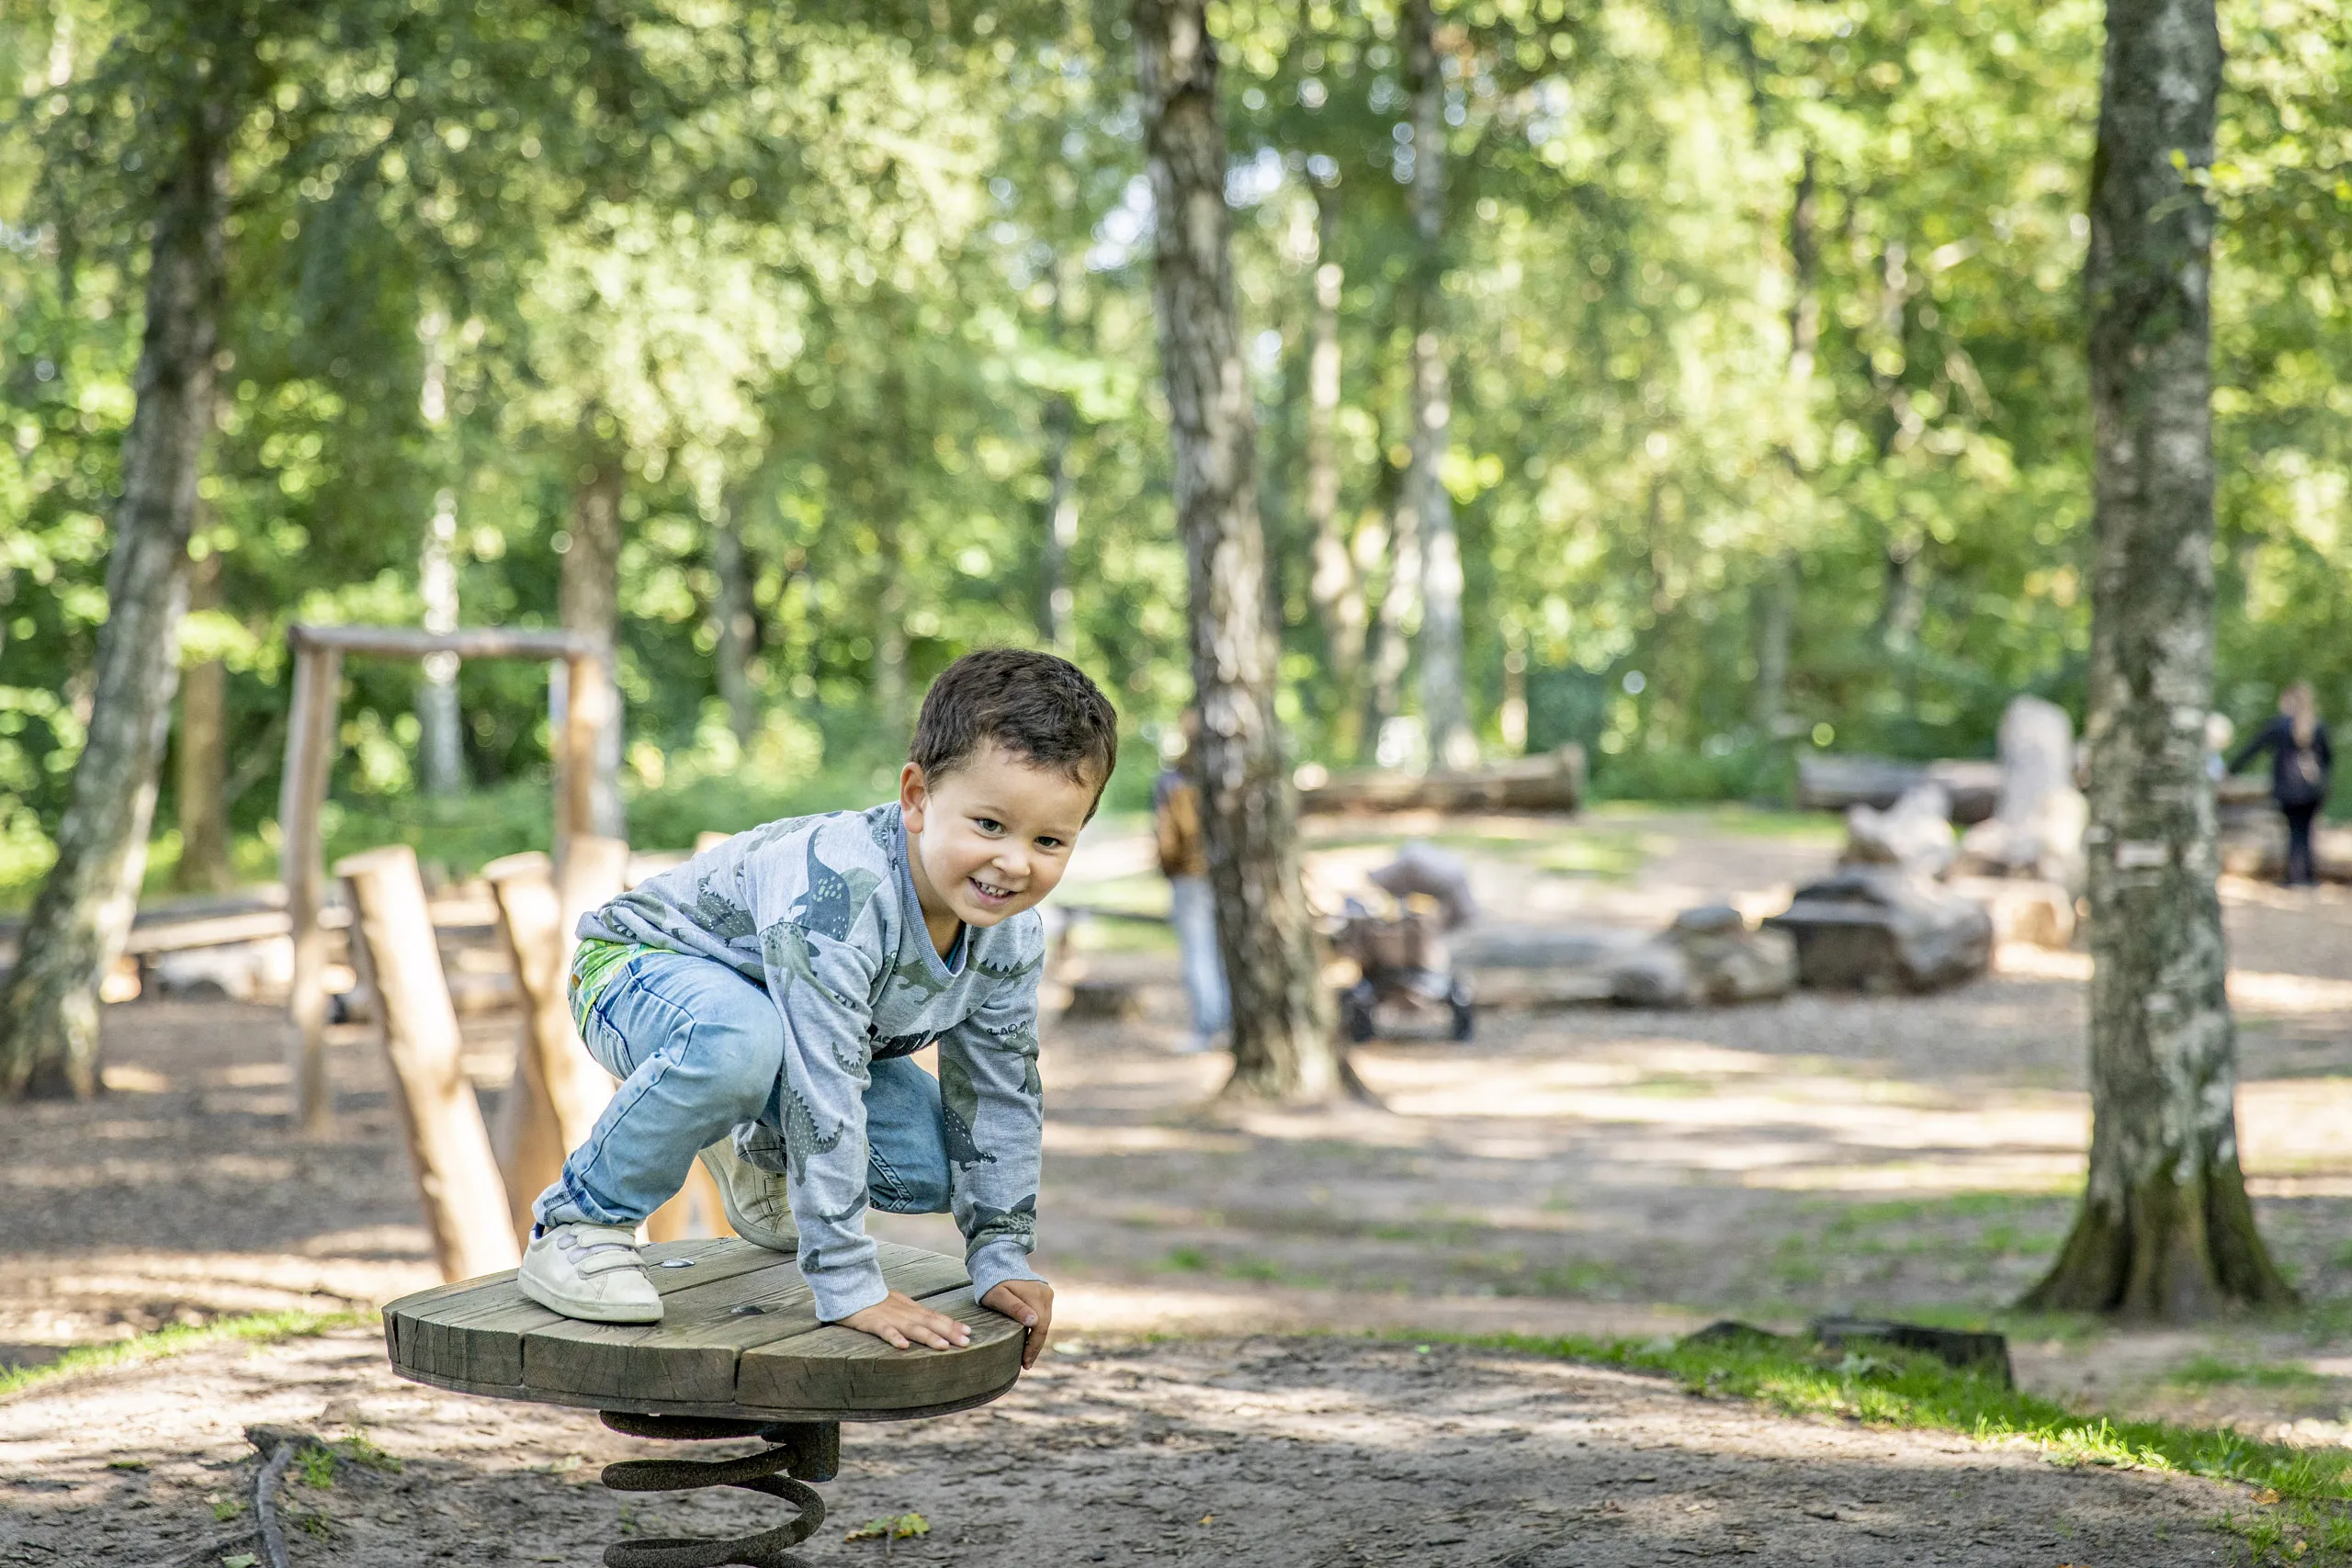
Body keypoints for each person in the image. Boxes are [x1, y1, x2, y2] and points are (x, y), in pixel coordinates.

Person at [516, 648, 1118, 1375]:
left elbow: (998, 1094)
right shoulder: (843, 894)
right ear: (917, 797)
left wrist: (1000, 1253)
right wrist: (848, 1282)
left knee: (938, 1164)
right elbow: (823, 1082)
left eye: (1048, 840)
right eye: (989, 824)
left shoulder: (1010, 934)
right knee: (739, 1040)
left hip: (775, 1023)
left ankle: (752, 1144)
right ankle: (578, 1221)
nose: (1015, 862)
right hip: (635, 971)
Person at [1153, 714, 1230, 1054]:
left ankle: (1207, 1029)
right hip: (1225, 873)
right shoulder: (1228, 772)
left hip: (1190, 874)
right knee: (1221, 950)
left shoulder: (1174, 780)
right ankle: (1226, 1024)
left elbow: (1167, 836)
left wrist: (1168, 866)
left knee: (1199, 952)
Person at [2229, 681, 2333, 887]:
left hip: (2289, 790)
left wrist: (2231, 769)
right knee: (2306, 832)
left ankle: (2294, 877)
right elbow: (2328, 758)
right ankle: (2308, 877)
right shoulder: (2317, 726)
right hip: (2312, 790)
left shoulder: (2280, 726)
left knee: (2294, 832)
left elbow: (2254, 748)